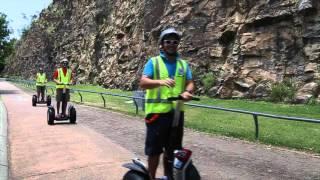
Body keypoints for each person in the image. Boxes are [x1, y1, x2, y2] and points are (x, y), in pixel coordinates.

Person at [139, 27, 195, 180]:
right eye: (168, 41)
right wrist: (160, 82)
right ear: (162, 44)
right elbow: (143, 82)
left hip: (176, 114)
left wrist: (188, 92)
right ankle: (151, 177)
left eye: (175, 42)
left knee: (173, 150)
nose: (172, 44)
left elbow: (190, 82)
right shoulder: (154, 62)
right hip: (157, 114)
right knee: (154, 150)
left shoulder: (183, 64)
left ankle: (168, 177)